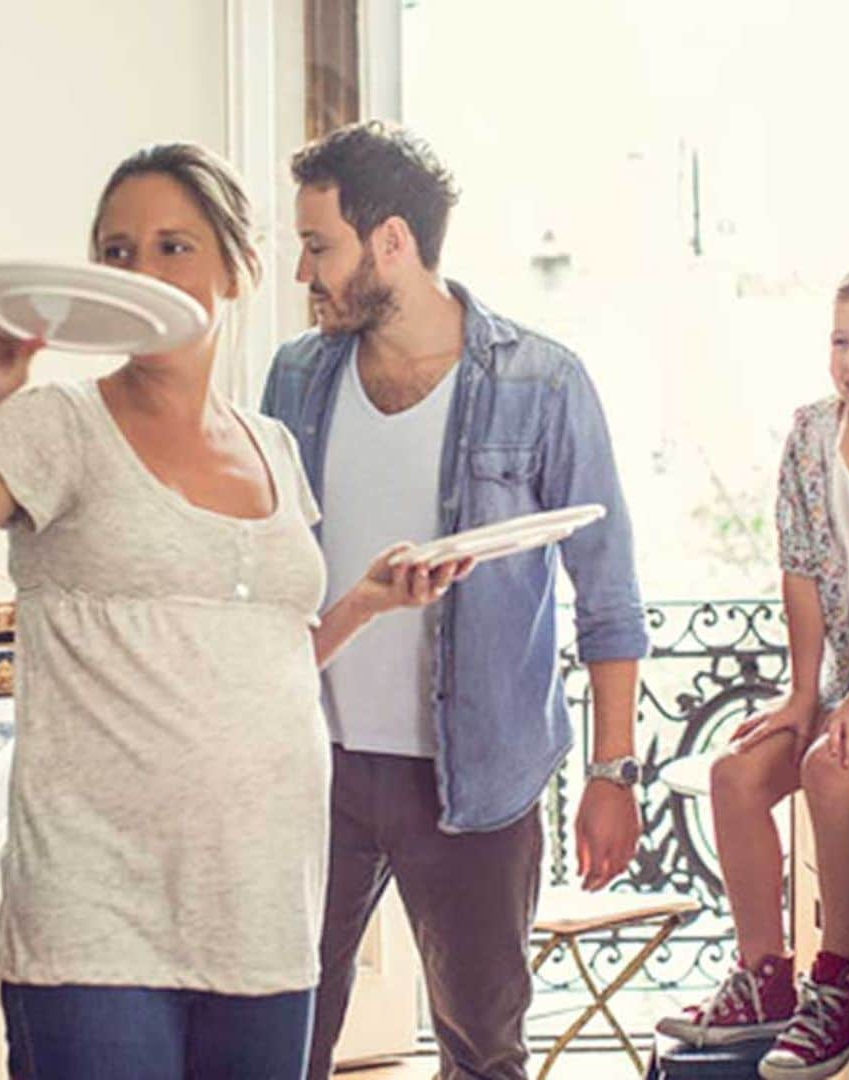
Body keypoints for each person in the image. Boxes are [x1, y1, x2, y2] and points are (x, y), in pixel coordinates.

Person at [0, 142, 466, 1080]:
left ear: (235, 269)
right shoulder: (58, 426)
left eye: (172, 247)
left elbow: (258, 657)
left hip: (265, 911)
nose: (141, 273)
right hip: (97, 924)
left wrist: (360, 602)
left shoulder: (272, 446)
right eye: (117, 252)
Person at [261, 120, 650, 1079]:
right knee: (277, 1040)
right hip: (315, 769)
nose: (304, 273)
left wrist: (613, 773)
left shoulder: (542, 382)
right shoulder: (295, 378)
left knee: (483, 1053)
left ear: (390, 242)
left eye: (320, 247)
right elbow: (264, 569)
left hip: (477, 784)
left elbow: (608, 594)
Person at [657, 253, 849, 1079]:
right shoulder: (811, 435)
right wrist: (803, 693)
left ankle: (842, 984)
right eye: (840, 339)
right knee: (736, 774)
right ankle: (766, 981)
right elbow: (799, 571)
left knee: (836, 766)